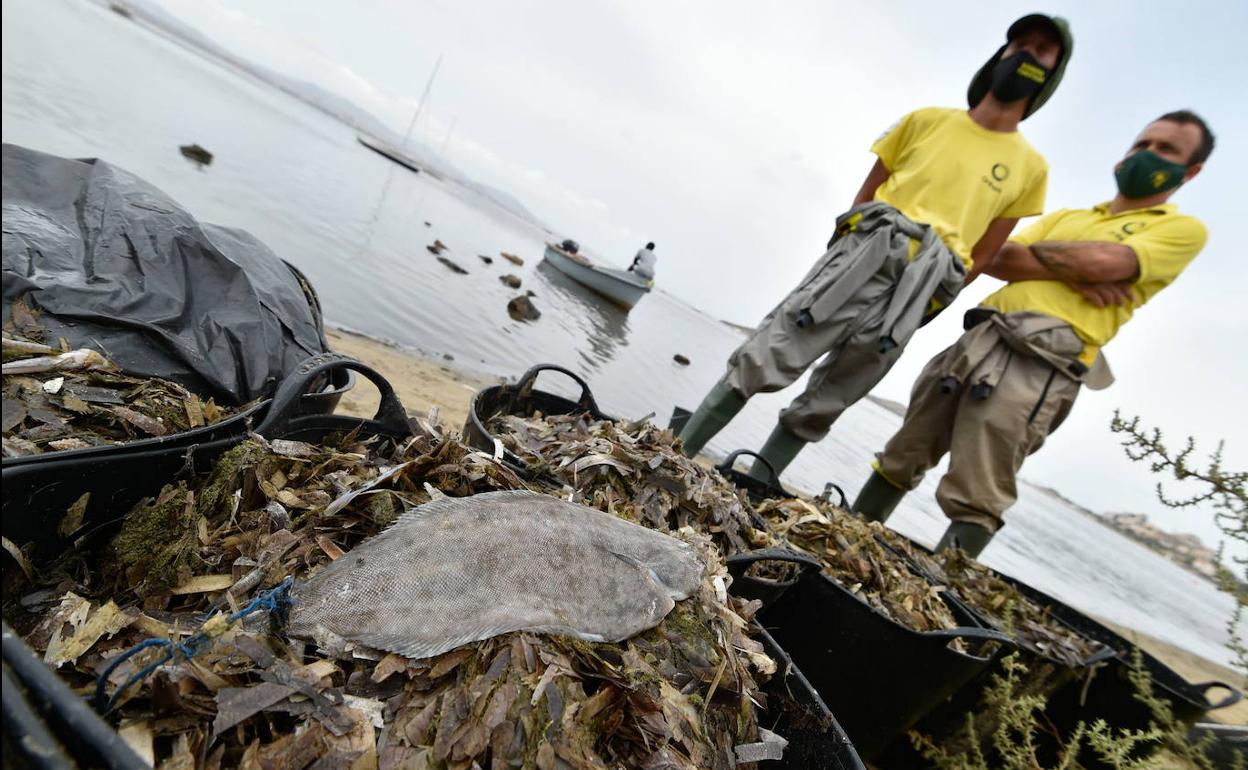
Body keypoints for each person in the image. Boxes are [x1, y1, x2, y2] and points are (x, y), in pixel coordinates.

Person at [676, 15, 1073, 481]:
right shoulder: (927, 121)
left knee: (842, 385)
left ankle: (755, 483)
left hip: (925, 279)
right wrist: (853, 248)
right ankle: (678, 451)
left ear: (1053, 74)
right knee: (773, 348)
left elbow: (983, 254)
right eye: (1019, 43)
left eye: (1043, 51)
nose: (1026, 54)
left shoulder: (1031, 168)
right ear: (1000, 54)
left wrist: (934, 291)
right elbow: (866, 196)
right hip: (868, 249)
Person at [852, 111, 1214, 557]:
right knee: (906, 447)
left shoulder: (1181, 229)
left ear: (1191, 170)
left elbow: (1102, 266)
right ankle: (852, 535)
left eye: (1166, 150)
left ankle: (945, 583)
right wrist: (1079, 267)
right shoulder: (1068, 216)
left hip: (1043, 359)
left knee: (980, 482)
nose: (1146, 155)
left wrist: (1075, 263)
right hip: (982, 335)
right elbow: (997, 256)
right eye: (1142, 144)